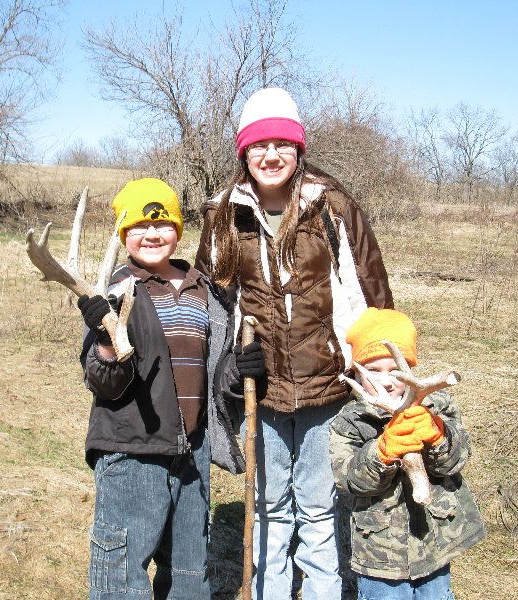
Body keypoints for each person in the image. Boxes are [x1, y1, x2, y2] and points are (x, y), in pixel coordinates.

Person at [195, 87, 394, 600]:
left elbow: (369, 290)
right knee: (268, 508)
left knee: (320, 508)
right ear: (244, 151)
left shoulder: (331, 205)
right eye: (259, 145)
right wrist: (229, 366)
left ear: (299, 148)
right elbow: (213, 303)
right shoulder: (224, 214)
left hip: (327, 386)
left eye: (283, 143)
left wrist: (381, 367)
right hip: (259, 389)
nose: (271, 155)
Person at [78, 178, 243, 600]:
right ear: (123, 234)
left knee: (189, 574)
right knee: (123, 577)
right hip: (134, 450)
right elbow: (103, 383)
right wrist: (105, 338)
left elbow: (216, 371)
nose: (152, 234)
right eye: (139, 227)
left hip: (193, 450)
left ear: (178, 231)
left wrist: (240, 369)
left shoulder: (201, 289)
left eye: (164, 223)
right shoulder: (114, 292)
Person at [329, 308, 486, 600]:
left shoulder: (438, 407)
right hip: (379, 553)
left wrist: (438, 434)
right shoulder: (350, 422)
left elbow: (457, 460)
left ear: (411, 369)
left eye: (395, 370)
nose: (386, 381)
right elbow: (350, 481)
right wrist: (381, 453)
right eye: (372, 371)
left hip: (434, 542)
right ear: (356, 373)